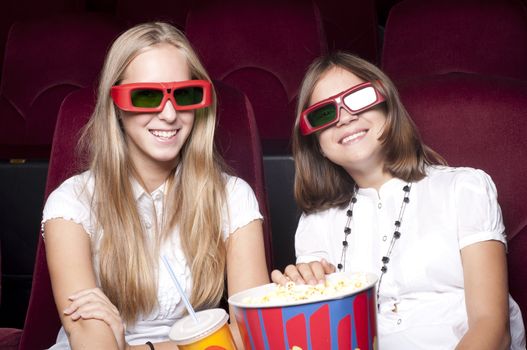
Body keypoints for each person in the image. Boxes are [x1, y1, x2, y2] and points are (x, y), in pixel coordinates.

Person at [271, 52, 525, 349]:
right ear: (318, 145)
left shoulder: (464, 189)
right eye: (324, 114)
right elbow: (324, 337)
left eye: (359, 98)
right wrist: (298, 298)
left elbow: (491, 327)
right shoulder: (316, 224)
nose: (345, 117)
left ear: (387, 106)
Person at [42, 22, 269, 349]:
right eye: (146, 96)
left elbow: (252, 333)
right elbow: (90, 339)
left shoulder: (232, 196)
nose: (169, 114)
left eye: (185, 94)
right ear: (116, 106)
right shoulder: (72, 202)